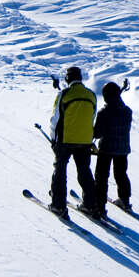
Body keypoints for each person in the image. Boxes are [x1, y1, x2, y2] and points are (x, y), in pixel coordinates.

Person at [49, 66, 96, 216]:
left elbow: (55, 119)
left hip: (66, 139)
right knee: (84, 170)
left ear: (67, 79)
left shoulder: (64, 94)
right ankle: (90, 204)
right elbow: (92, 117)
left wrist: (53, 139)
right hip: (85, 140)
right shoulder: (91, 95)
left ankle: (58, 205)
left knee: (60, 170)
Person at [92, 81, 133, 216]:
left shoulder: (104, 112)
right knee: (121, 175)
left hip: (106, 149)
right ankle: (125, 200)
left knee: (101, 177)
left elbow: (97, 133)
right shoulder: (127, 111)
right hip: (122, 149)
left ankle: (99, 206)